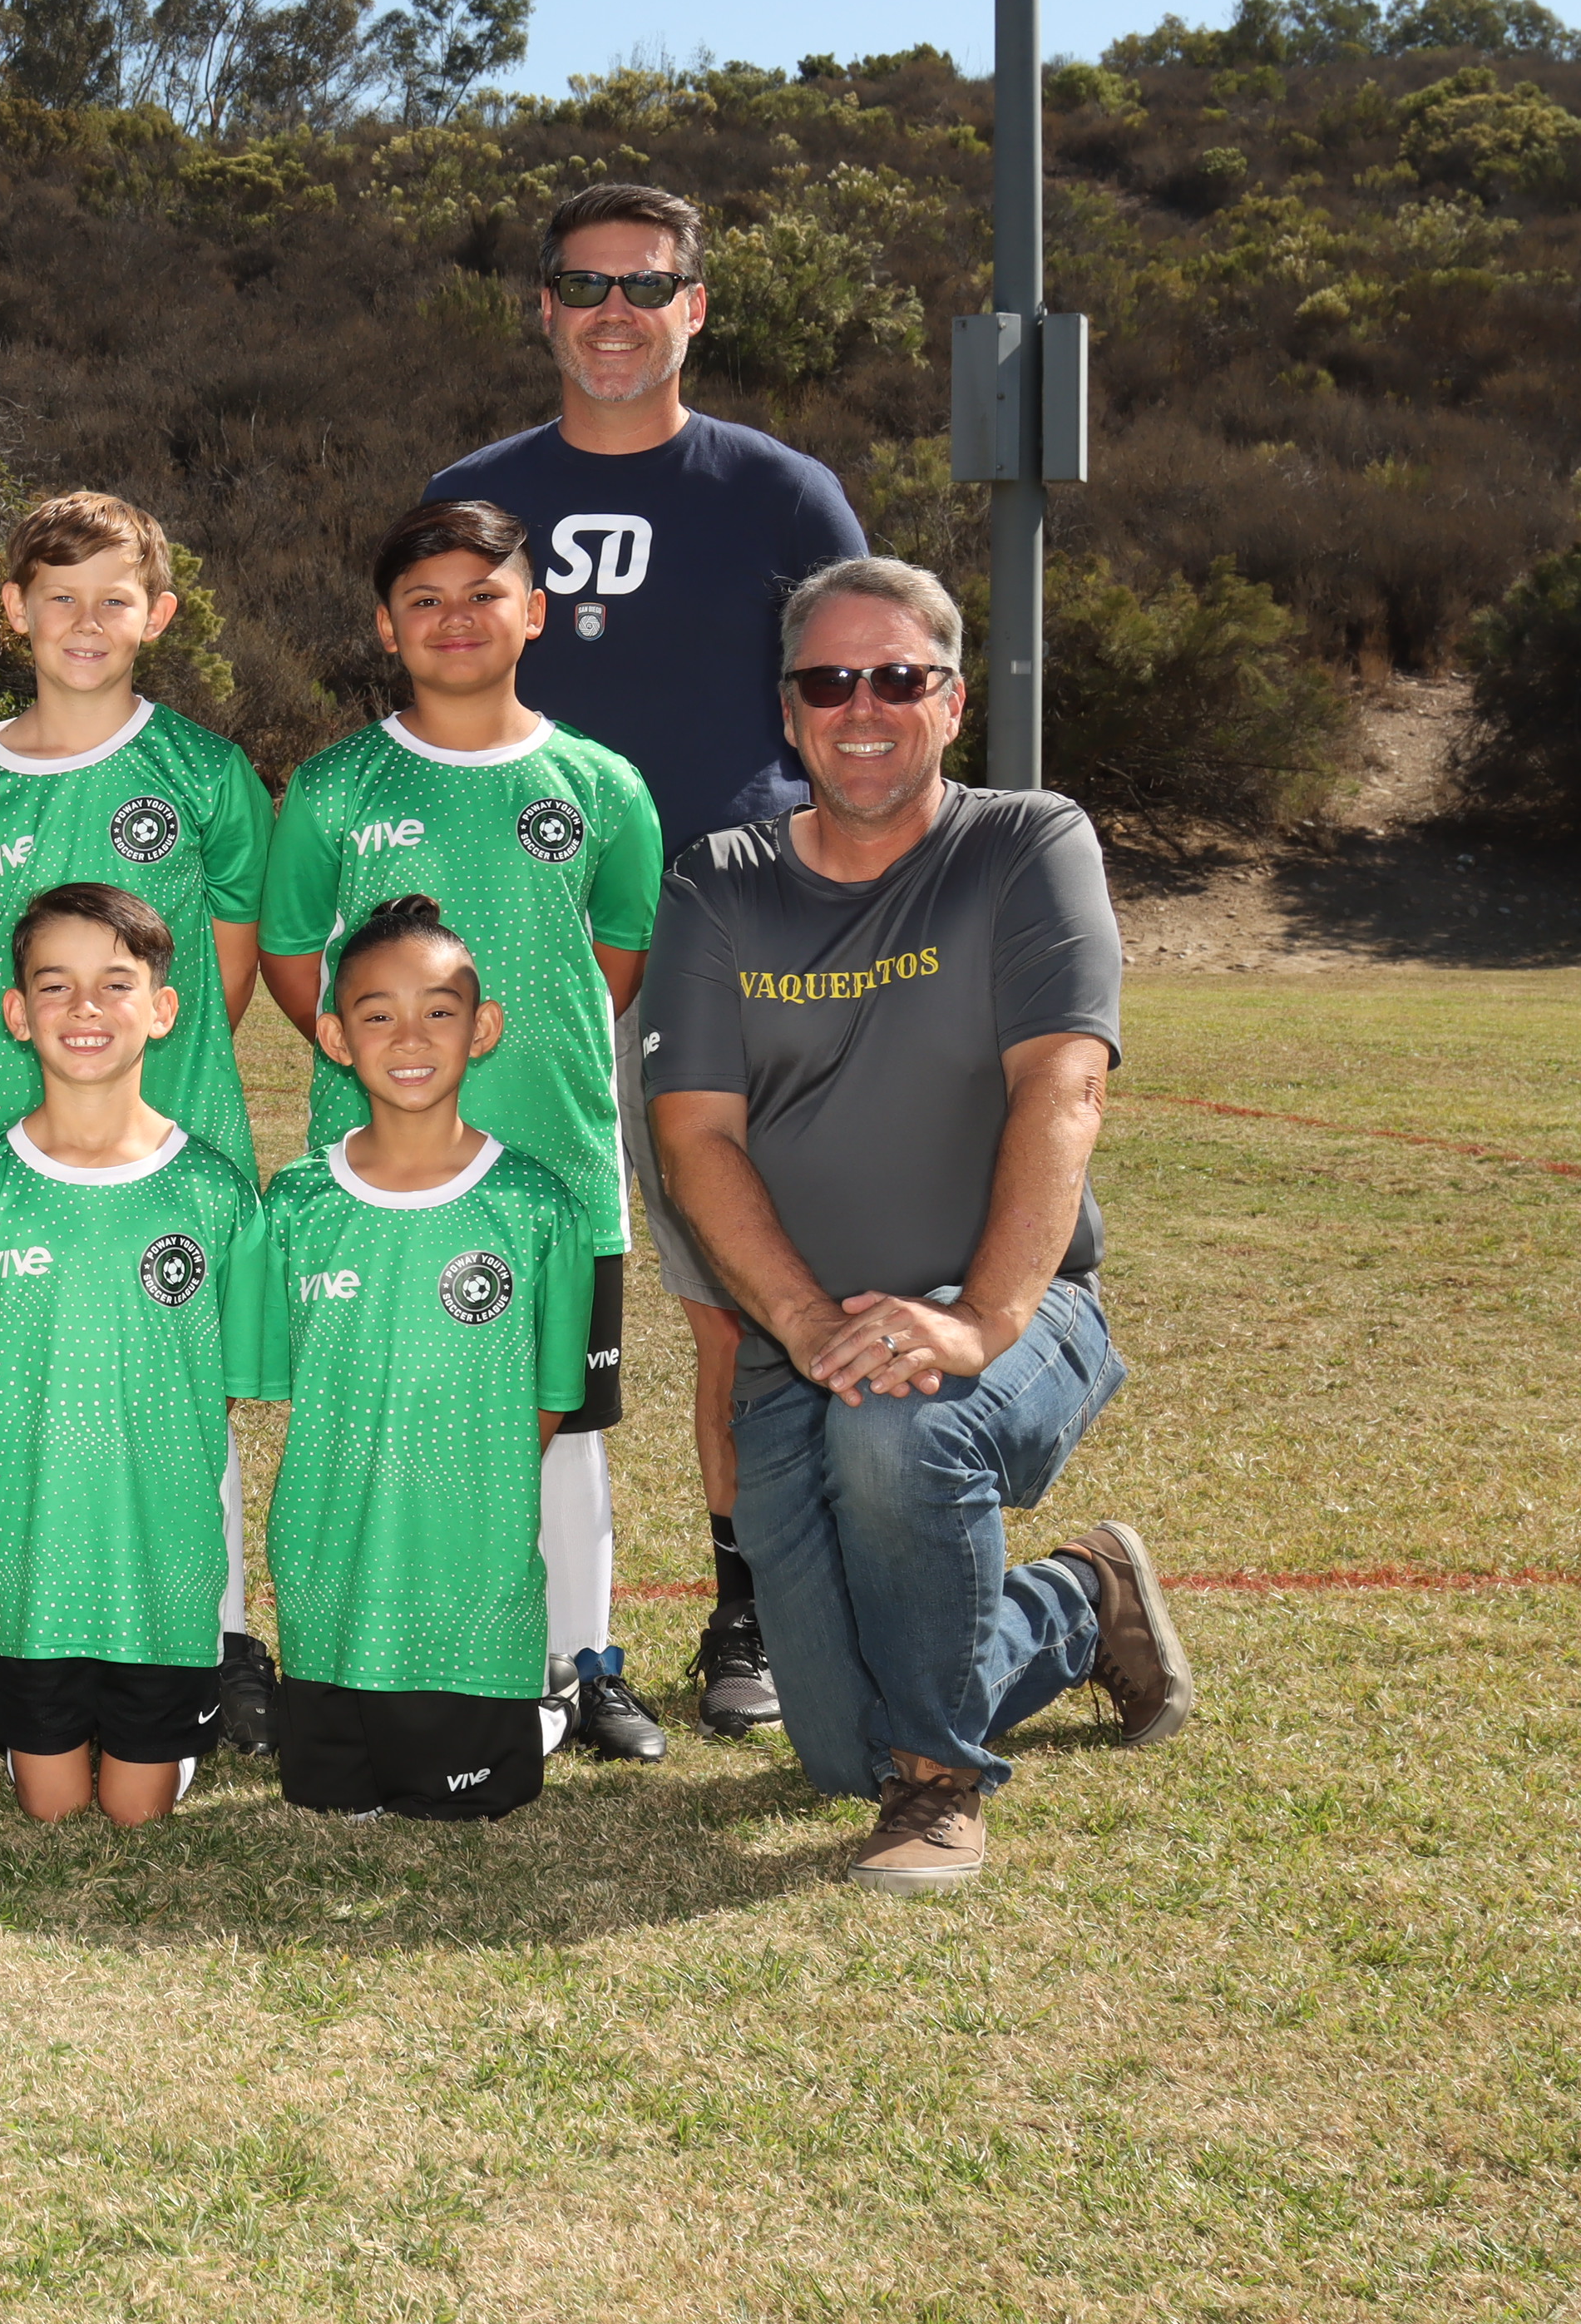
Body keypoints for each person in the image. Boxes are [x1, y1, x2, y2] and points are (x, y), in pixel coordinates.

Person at [644, 556, 1188, 1895]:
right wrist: (807, 1323)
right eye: (831, 681)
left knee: (902, 1428)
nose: (864, 707)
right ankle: (1082, 1600)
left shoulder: (1027, 844)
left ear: (952, 702)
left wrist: (977, 1322)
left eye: (900, 677)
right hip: (802, 1341)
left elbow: (1064, 1087)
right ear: (789, 712)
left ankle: (940, 1785)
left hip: (1015, 1312)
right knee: (838, 1750)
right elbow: (695, 1137)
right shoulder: (718, 881)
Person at [426, 178, 868, 1739]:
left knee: (738, 1299)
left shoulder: (784, 495)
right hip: (517, 965)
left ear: (696, 307)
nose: (613, 313)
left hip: (722, 952)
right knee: (496, 1290)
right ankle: (495, 1620)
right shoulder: (473, 491)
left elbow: (855, 709)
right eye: (585, 284)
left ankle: (753, 1613)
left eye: (646, 285)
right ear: (542, 306)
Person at [255, 498, 666, 1762]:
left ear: (534, 612)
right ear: (387, 627)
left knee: (564, 1427)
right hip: (379, 1187)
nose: (455, 619)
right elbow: (291, 958)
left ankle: (582, 1663)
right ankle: (389, 1652)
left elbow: (614, 961)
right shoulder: (335, 786)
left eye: (484, 594)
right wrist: (384, 1066)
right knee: (384, 1417)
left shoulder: (601, 785)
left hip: (558, 1174)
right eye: (423, 599)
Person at [0, 489, 274, 1762]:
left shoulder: (206, 774)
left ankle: (215, 1640)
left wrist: (139, 1095)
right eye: (57, 596)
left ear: (157, 616)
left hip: (172, 1135)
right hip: (16, 1142)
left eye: (112, 598)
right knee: (4, 1393)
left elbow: (224, 973)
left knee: (178, 1395)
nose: (83, 620)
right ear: (14, 610)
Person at [254, 895, 595, 1825]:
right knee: (332, 1803)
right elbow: (275, 1381)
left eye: (439, 1010)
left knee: (463, 1807)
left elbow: (548, 1401)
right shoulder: (296, 1204)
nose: (410, 1036)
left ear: (482, 1028)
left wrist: (466, 1484)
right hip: (330, 1579)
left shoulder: (536, 1207)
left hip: (470, 1587)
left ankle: (534, 1702)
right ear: (334, 1036)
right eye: (378, 1014)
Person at [0, 885, 269, 1827]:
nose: (85, 1007)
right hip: (35, 1562)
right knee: (50, 1809)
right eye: (56, 985)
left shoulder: (214, 1191)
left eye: (117, 984)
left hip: (163, 1567)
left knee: (136, 1813)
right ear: (15, 1012)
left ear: (162, 1009)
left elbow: (220, 1383)